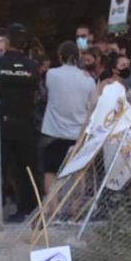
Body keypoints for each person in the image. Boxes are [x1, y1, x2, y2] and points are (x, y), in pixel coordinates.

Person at [0, 26, 42, 222]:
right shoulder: (32, 66)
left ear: (7, 41)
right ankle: (29, 209)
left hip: (3, 124)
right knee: (27, 170)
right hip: (25, 124)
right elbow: (37, 94)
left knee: (0, 168)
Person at [39, 40, 95, 198]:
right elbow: (90, 105)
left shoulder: (51, 74)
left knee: (50, 171)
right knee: (78, 172)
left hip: (53, 131)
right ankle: (75, 209)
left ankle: (51, 206)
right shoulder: (88, 80)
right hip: (78, 132)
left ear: (60, 56)